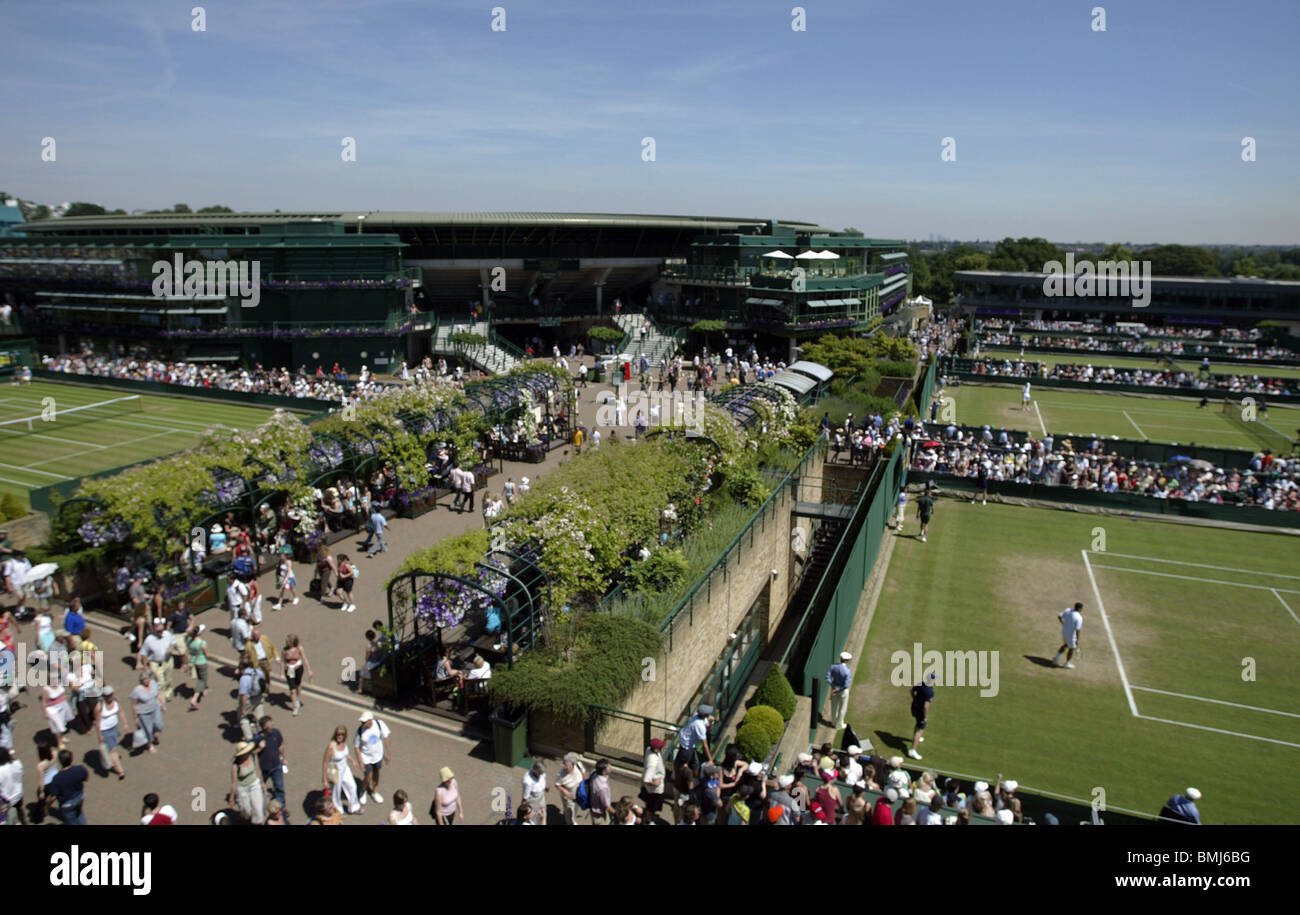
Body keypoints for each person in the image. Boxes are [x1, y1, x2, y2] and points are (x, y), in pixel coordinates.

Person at [322, 725, 362, 815]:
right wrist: (325, 780)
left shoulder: (344, 743)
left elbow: (345, 754)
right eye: (338, 734)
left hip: (345, 769)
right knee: (336, 792)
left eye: (342, 735)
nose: (340, 736)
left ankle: (354, 807)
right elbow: (325, 762)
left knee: (352, 786)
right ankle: (338, 811)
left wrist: (352, 761)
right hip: (336, 771)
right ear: (335, 735)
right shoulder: (332, 746)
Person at [255, 715, 289, 820]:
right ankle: (259, 809)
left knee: (279, 787)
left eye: (271, 724)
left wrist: (283, 758)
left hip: (276, 765)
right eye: (268, 726)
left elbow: (281, 746)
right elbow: (252, 753)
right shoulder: (257, 738)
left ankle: (281, 810)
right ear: (263, 728)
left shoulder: (276, 733)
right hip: (263, 768)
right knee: (259, 789)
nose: (271, 727)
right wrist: (259, 748)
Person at [355, 710, 392, 805]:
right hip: (366, 758)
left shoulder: (379, 724)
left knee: (376, 774)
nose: (362, 724)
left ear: (370, 720)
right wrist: (360, 762)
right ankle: (362, 791)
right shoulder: (359, 731)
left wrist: (388, 753)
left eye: (364, 722)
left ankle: (374, 791)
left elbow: (386, 737)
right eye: (362, 722)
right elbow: (356, 747)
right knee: (368, 776)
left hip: (378, 756)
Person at [137, 617, 175, 702]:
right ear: (154, 630)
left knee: (168, 679)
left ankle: (168, 694)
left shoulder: (167, 634)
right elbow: (144, 653)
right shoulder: (149, 639)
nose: (161, 632)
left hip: (168, 661)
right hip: (156, 664)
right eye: (158, 631)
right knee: (160, 683)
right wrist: (145, 667)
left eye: (161, 630)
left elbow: (173, 642)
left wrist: (171, 649)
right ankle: (161, 701)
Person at [47, 748, 89, 825]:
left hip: (67, 804)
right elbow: (86, 778)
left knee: (71, 821)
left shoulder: (57, 778)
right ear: (71, 759)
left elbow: (53, 797)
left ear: (60, 761)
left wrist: (47, 806)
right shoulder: (79, 769)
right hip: (79, 797)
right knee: (79, 813)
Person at [95, 685, 127, 780]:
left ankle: (105, 760)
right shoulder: (99, 706)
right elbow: (97, 722)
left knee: (112, 748)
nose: (110, 697)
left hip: (114, 728)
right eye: (108, 695)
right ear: (104, 696)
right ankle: (120, 771)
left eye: (111, 694)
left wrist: (125, 723)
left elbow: (121, 711)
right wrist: (99, 735)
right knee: (112, 751)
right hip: (105, 731)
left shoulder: (115, 701)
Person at [229, 741, 265, 825]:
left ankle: (257, 823)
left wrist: (262, 782)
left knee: (258, 809)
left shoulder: (252, 756)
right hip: (242, 788)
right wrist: (231, 798)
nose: (247, 754)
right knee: (246, 811)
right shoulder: (236, 765)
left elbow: (257, 769)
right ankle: (243, 818)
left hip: (254, 784)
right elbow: (234, 782)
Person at [129, 669, 164, 752]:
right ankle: (149, 745)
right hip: (144, 713)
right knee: (147, 730)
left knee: (159, 724)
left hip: (155, 709)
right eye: (145, 679)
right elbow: (134, 705)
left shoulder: (153, 684)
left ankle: (155, 735)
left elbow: (157, 694)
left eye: (148, 678)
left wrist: (163, 704)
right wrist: (135, 718)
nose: (147, 681)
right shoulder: (137, 690)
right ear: (141, 681)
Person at [908, 670, 937, 760]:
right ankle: (913, 750)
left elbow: (911, 690)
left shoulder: (921, 683)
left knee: (918, 725)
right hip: (920, 712)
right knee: (920, 729)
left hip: (914, 707)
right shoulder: (930, 692)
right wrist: (925, 716)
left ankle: (916, 738)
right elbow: (926, 706)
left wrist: (914, 699)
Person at [676, 705, 715, 773]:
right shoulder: (699, 725)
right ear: (706, 715)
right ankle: (680, 778)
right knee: (684, 765)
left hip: (689, 743)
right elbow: (705, 745)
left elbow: (709, 728)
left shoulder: (698, 716)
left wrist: (711, 722)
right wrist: (710, 759)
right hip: (687, 746)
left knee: (695, 764)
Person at [237, 654, 265, 742]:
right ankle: (263, 733)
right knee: (260, 716)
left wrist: (243, 708)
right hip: (259, 697)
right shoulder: (258, 672)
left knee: (243, 718)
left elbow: (244, 695)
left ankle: (249, 739)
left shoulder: (244, 678)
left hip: (249, 700)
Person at [282, 634, 312, 716]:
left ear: (293, 642)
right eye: (286, 641)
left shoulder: (299, 648)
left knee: (298, 684)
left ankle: (298, 699)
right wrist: (281, 673)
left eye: (288, 641)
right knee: (292, 689)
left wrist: (309, 670)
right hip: (289, 669)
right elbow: (283, 661)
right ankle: (295, 707)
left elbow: (304, 659)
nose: (286, 642)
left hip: (298, 668)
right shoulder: (284, 650)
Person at [641, 737, 667, 820]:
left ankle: (649, 816)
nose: (661, 748)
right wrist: (654, 783)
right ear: (655, 749)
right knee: (651, 806)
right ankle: (648, 820)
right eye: (660, 747)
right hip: (654, 790)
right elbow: (646, 779)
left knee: (649, 803)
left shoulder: (649, 749)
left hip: (651, 789)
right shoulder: (652, 762)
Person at [826, 651, 852, 731]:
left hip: (834, 689)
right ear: (847, 661)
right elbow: (846, 685)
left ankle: (833, 722)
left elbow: (828, 677)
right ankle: (839, 725)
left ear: (840, 659)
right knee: (842, 708)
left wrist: (834, 686)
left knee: (834, 706)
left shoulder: (833, 667)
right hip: (842, 691)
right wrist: (839, 689)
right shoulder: (847, 671)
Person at [1053, 602, 1084, 669]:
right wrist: (1077, 640)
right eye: (1081, 608)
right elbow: (1078, 630)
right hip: (1071, 635)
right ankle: (1067, 663)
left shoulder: (1068, 610)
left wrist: (1063, 624)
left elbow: (1059, 617)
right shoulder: (1079, 618)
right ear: (1079, 608)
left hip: (1064, 632)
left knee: (1065, 644)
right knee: (1071, 648)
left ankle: (1056, 657)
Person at [556, 752, 584, 825]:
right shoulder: (561, 774)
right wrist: (565, 791)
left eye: (567, 766)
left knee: (575, 810)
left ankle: (572, 818)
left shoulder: (579, 765)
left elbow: (584, 772)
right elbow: (557, 785)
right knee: (569, 813)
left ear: (573, 764)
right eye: (564, 765)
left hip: (578, 795)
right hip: (568, 798)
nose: (565, 767)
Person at [186, 623, 209, 709]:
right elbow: (206, 654)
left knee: (199, 676)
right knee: (202, 680)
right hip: (202, 662)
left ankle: (203, 690)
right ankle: (194, 698)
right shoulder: (202, 643)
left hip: (193, 662)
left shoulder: (189, 641)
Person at [522, 760, 548, 825]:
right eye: (540, 773)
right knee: (535, 817)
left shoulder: (542, 773)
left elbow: (542, 780)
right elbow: (525, 798)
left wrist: (545, 786)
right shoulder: (528, 781)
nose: (542, 774)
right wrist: (523, 811)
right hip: (533, 801)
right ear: (536, 772)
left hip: (541, 797)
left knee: (543, 813)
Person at [588, 758, 612, 824]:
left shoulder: (594, 773)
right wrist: (617, 814)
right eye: (608, 766)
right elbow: (606, 805)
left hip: (593, 808)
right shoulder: (603, 787)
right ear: (604, 771)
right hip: (599, 814)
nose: (611, 766)